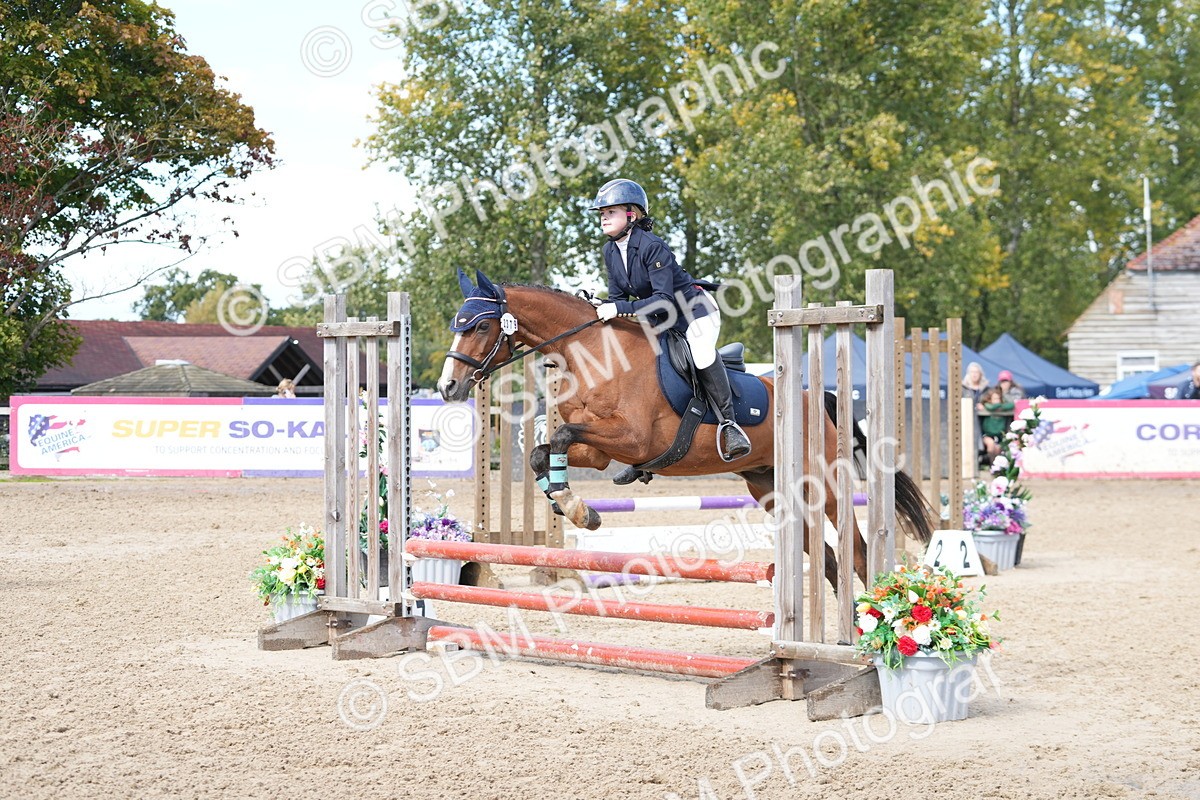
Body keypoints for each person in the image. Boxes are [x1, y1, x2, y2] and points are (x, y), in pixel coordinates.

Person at [589, 178, 750, 485]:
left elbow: (663, 299)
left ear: (632, 215)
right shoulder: (611, 251)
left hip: (694, 312)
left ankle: (729, 424)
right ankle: (645, 454)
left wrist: (619, 309)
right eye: (601, 212)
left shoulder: (652, 246)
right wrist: (599, 304)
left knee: (701, 354)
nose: (603, 217)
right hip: (662, 320)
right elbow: (618, 300)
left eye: (610, 211)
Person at [962, 361, 990, 463]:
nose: (974, 374)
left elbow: (991, 401)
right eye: (972, 372)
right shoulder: (962, 388)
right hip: (967, 420)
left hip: (982, 420)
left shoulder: (986, 389)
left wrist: (985, 405)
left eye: (976, 372)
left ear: (980, 374)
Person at [978, 386, 1009, 460]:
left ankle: (996, 468)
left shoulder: (1003, 408)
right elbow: (990, 407)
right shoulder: (987, 407)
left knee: (998, 448)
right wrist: (998, 406)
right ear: (990, 399)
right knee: (991, 445)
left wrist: (1000, 406)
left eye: (998, 399)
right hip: (987, 435)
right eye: (995, 399)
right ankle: (991, 464)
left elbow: (1012, 405)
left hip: (1000, 436)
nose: (997, 401)